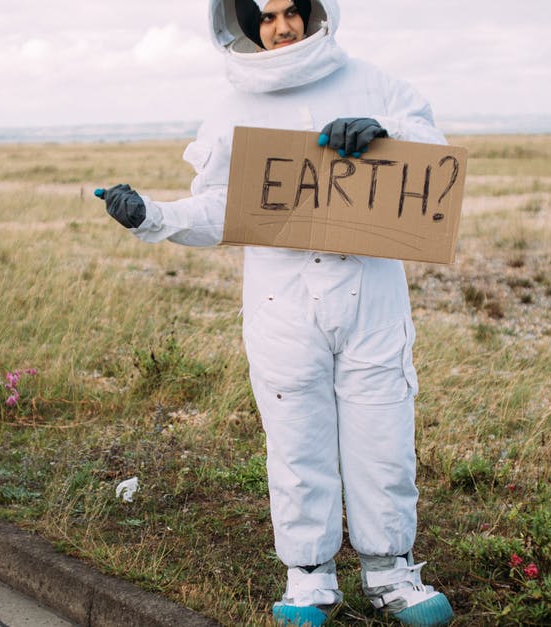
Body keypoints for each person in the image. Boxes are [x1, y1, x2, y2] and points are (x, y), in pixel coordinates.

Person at [96, 1, 453, 625]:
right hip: (281, 301)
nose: (281, 27)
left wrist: (383, 134)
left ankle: (393, 573)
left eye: (292, 11)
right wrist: (151, 215)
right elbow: (216, 210)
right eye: (266, 17)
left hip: (371, 295)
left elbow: (433, 161)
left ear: (316, 13)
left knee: (383, 438)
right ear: (246, 24)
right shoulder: (232, 108)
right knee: (296, 440)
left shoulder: (379, 85)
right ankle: (308, 578)